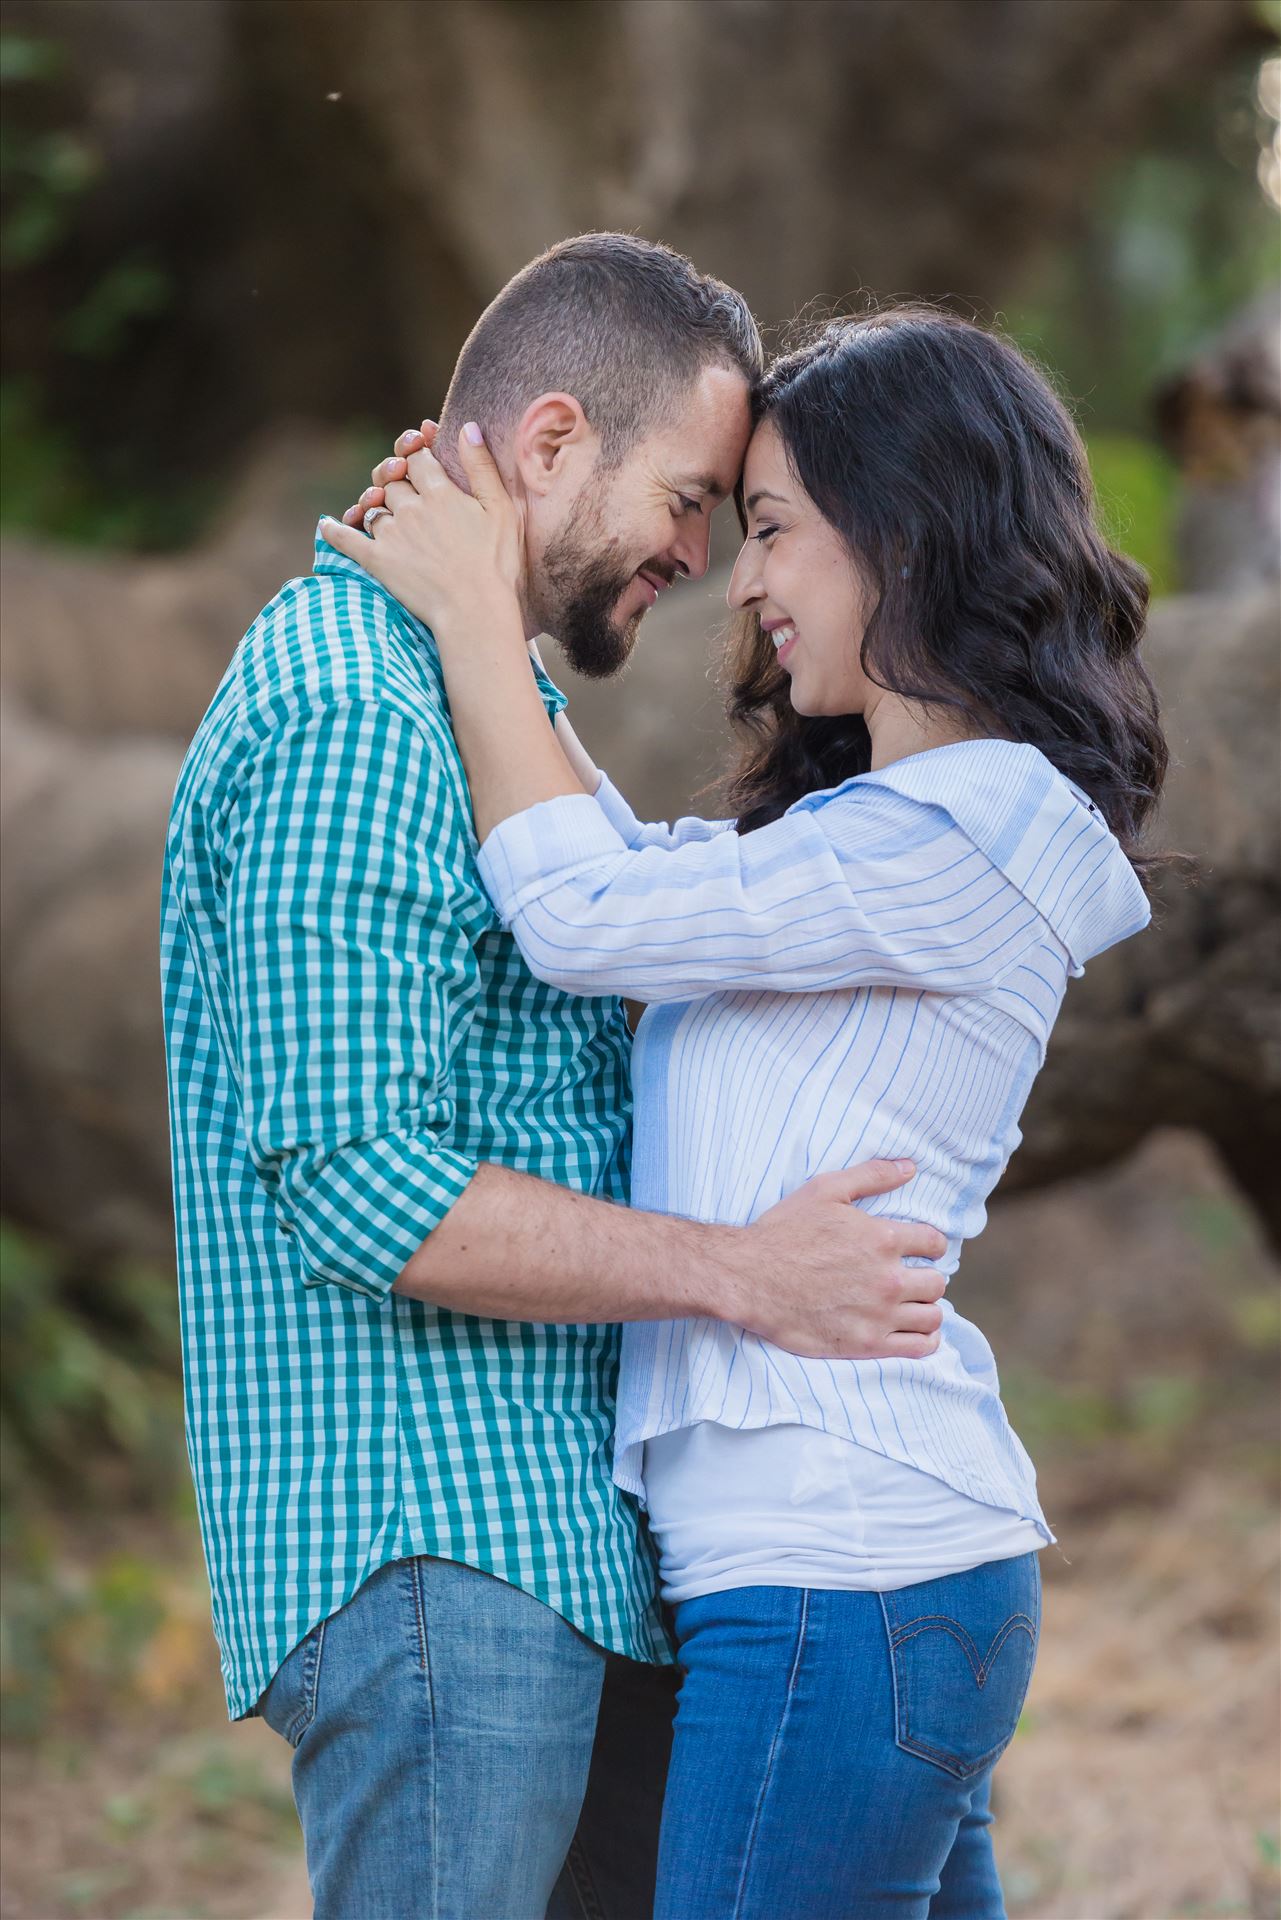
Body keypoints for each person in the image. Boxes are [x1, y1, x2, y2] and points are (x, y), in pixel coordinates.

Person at [323, 304, 1168, 1919]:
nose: (748, 580)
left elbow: (575, 922)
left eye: (773, 527)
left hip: (835, 1579)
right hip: (853, 1582)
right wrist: (485, 587)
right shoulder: (884, 830)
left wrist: (470, 634)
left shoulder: (963, 831)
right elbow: (629, 877)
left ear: (906, 532)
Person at [161, 236, 950, 1920]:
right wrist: (744, 1278)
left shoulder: (453, 693)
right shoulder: (345, 714)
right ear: (547, 442)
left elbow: (620, 914)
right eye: (684, 496)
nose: (699, 551)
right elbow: (363, 1177)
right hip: (438, 1544)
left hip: (557, 1540)